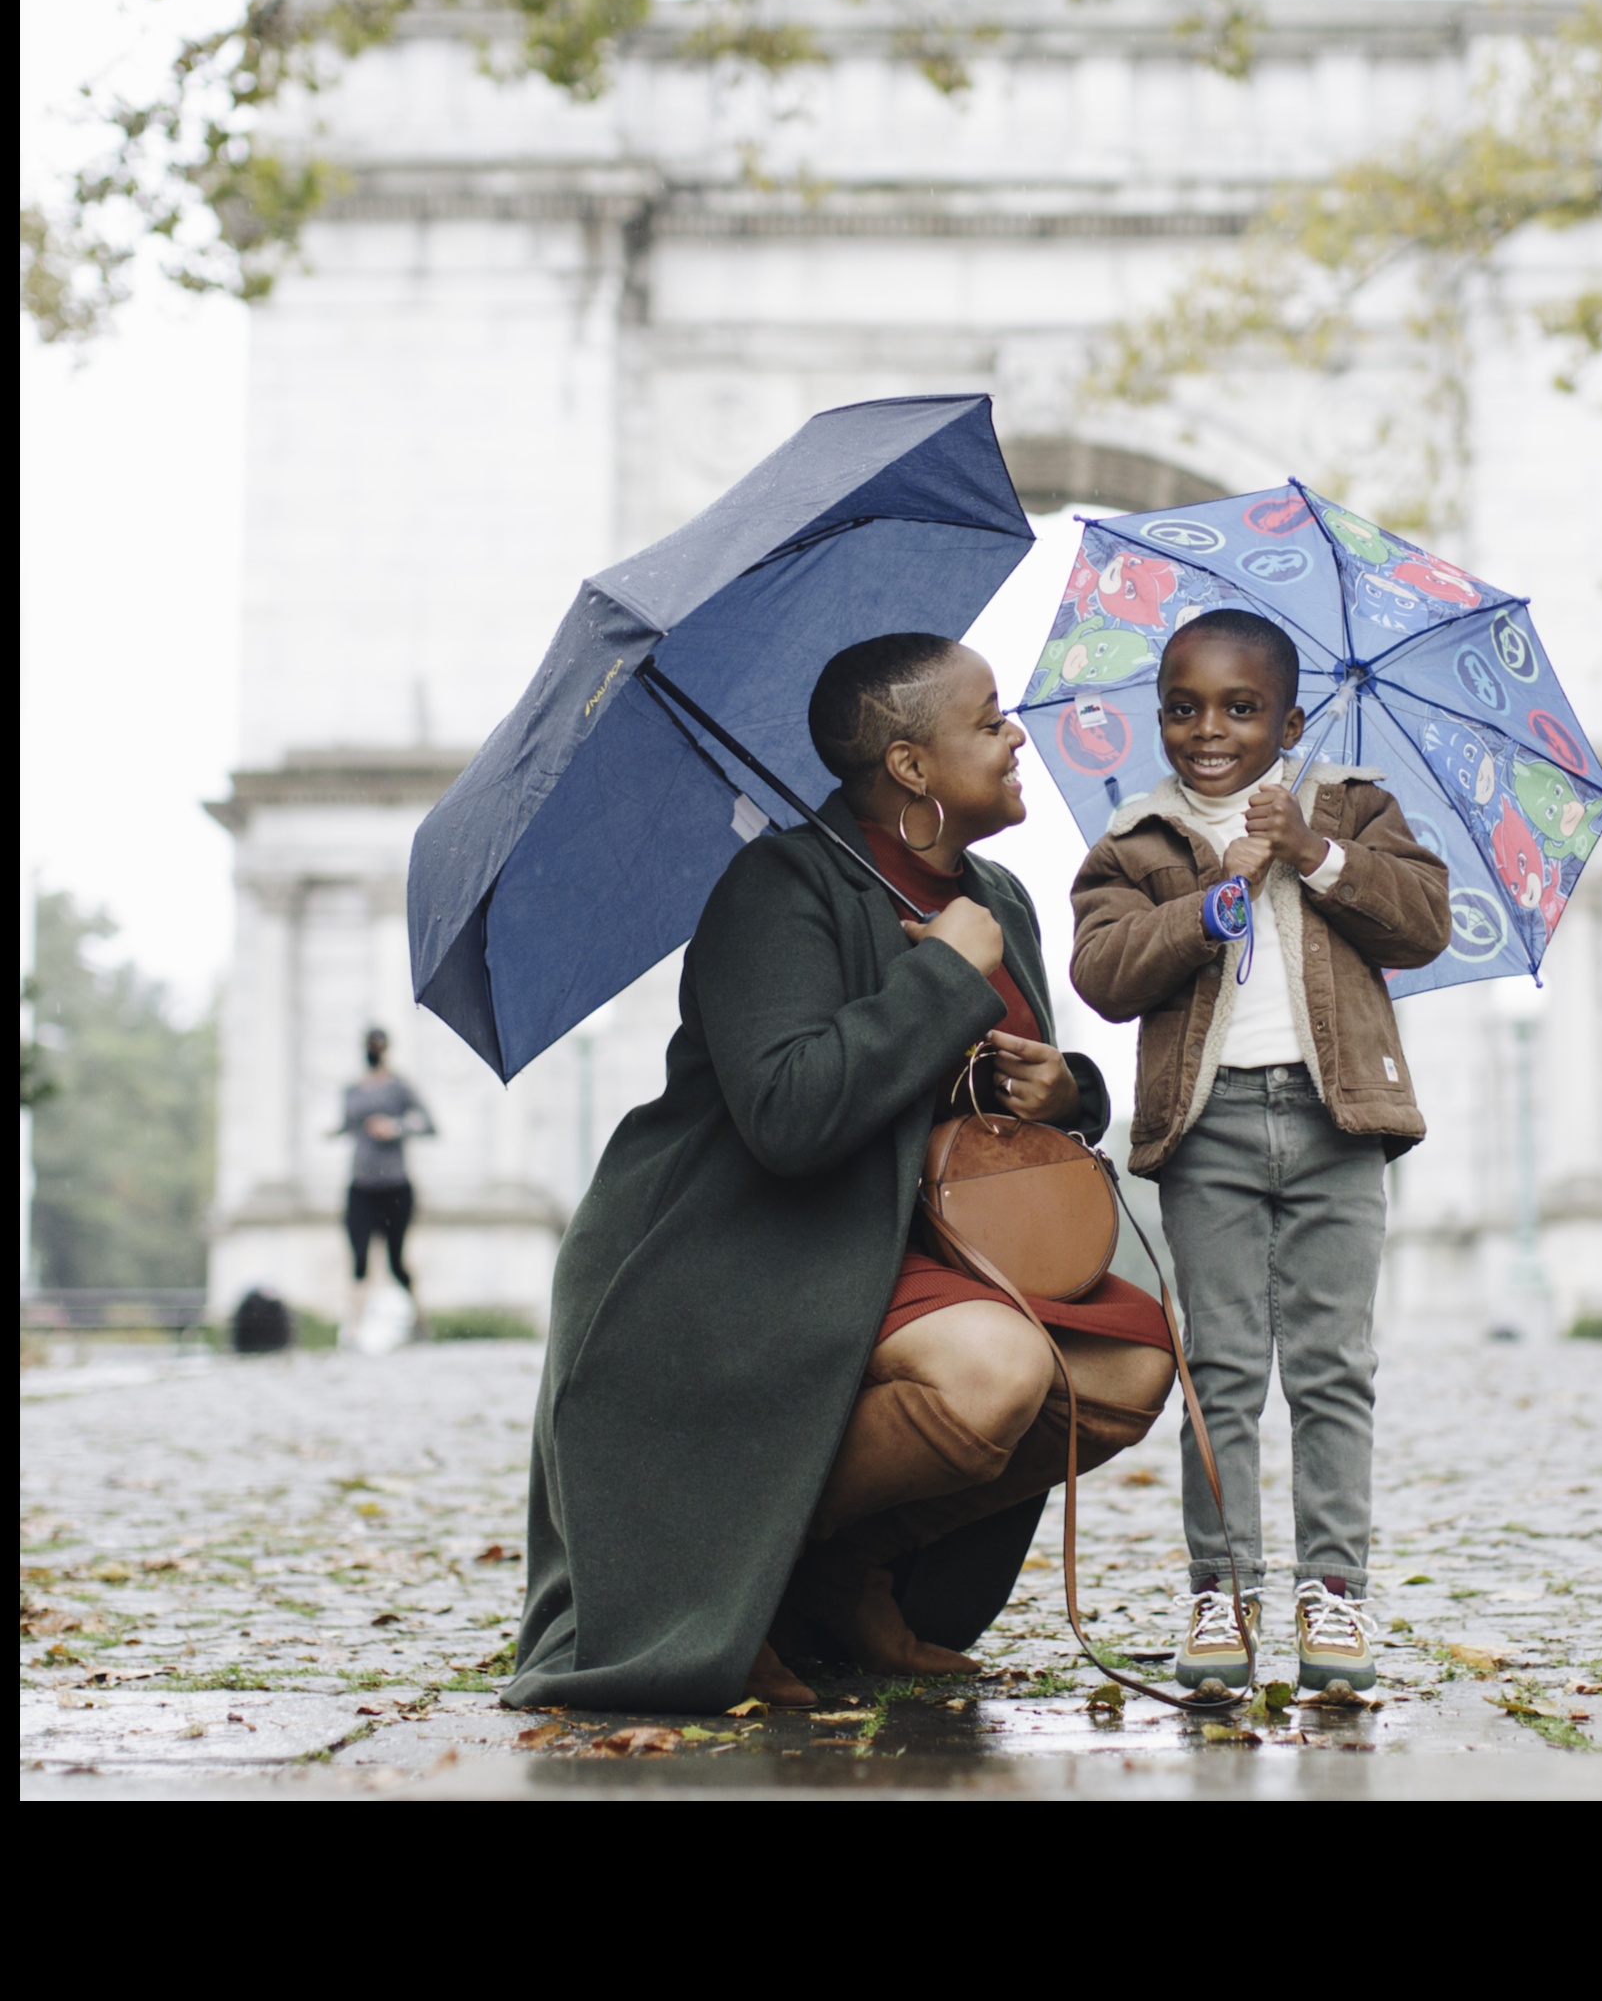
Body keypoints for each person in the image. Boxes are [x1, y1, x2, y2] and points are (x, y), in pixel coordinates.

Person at [507, 634, 1176, 1715]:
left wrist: (1068, 1092)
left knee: (1129, 1368)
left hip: (919, 1241)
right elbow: (789, 1114)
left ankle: (837, 1573)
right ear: (910, 766)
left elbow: (987, 1114)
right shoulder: (778, 885)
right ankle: (739, 1586)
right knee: (997, 1370)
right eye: (988, 717)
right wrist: (946, 978)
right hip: (753, 1248)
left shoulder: (1002, 898)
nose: (1015, 736)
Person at [1070, 608, 1451, 1692]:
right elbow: (1103, 971)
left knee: (1335, 1366)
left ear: (1287, 718)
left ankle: (1333, 1595)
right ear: (1159, 719)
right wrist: (1217, 895)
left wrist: (1314, 854)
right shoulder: (1136, 839)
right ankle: (1222, 1592)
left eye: (1241, 709)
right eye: (1183, 708)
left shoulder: (1354, 807)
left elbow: (1422, 920)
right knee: (1222, 1373)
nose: (1210, 731)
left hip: (1341, 1121)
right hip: (1210, 1129)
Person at [338, 1028, 436, 1340]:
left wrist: (395, 1127)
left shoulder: (399, 1087)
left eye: (377, 1046)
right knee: (359, 1257)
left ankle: (420, 1322)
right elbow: (348, 1126)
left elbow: (430, 1125)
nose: (373, 1051)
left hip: (394, 1186)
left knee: (396, 1260)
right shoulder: (352, 1090)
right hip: (361, 1184)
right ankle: (352, 1329)